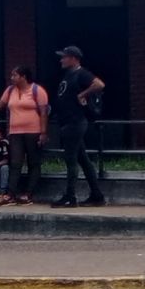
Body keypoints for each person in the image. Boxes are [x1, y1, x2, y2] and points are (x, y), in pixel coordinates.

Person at [0, 65, 48, 206]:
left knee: (34, 162)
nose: (12, 78)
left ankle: (28, 194)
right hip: (15, 132)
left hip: (33, 131)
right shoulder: (10, 90)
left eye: (15, 75)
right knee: (15, 162)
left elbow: (43, 112)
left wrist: (43, 132)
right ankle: (10, 194)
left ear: (23, 77)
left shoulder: (37, 90)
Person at [51, 45, 106, 208]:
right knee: (83, 160)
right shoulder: (68, 75)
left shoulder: (81, 73)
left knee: (71, 159)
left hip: (75, 122)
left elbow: (99, 84)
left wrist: (83, 94)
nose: (61, 59)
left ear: (73, 58)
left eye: (64, 57)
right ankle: (97, 195)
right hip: (68, 121)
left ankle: (70, 196)